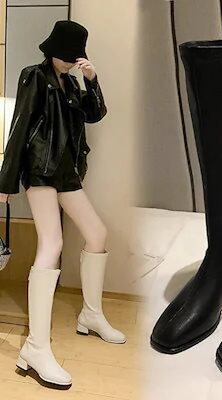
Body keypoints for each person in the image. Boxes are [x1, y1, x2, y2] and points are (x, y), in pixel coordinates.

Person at [0, 20, 126, 387]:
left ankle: (91, 315)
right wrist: (6, 182)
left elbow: (95, 114)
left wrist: (92, 80)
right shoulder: (34, 76)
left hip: (67, 172)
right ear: (54, 50)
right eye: (69, 56)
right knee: (51, 245)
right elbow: (20, 125)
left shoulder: (72, 82)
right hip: (40, 169)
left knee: (97, 233)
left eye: (76, 56)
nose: (72, 61)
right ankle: (35, 347)